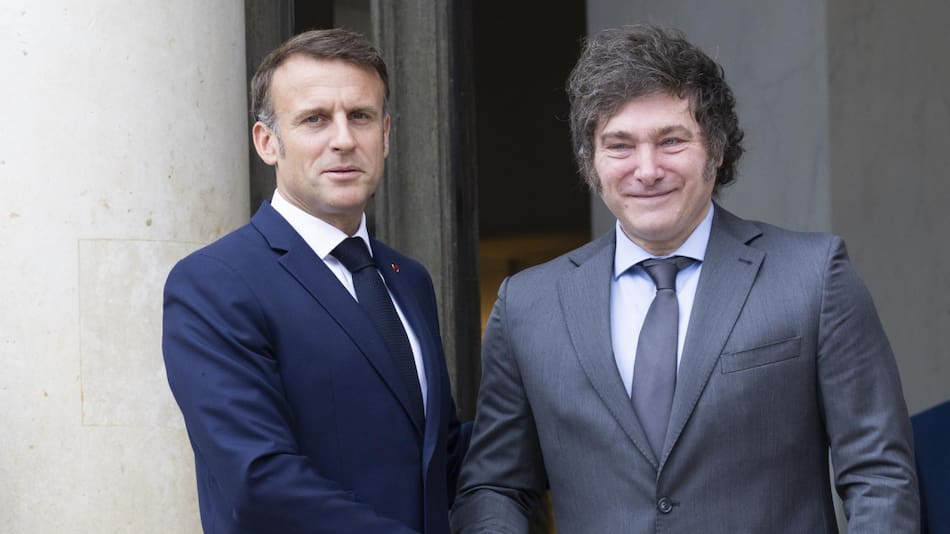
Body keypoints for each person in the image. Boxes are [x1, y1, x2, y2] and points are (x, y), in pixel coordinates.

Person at [451, 24, 919, 533]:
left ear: (715, 150)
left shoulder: (813, 277)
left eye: (671, 141)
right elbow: (495, 487)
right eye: (620, 145)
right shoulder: (528, 305)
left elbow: (879, 477)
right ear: (590, 163)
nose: (646, 169)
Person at [163, 29, 469, 533]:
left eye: (361, 117)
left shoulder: (408, 279)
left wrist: (565, 422)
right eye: (315, 119)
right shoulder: (213, 284)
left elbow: (441, 455)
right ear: (267, 142)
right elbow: (260, 482)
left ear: (386, 135)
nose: (344, 139)